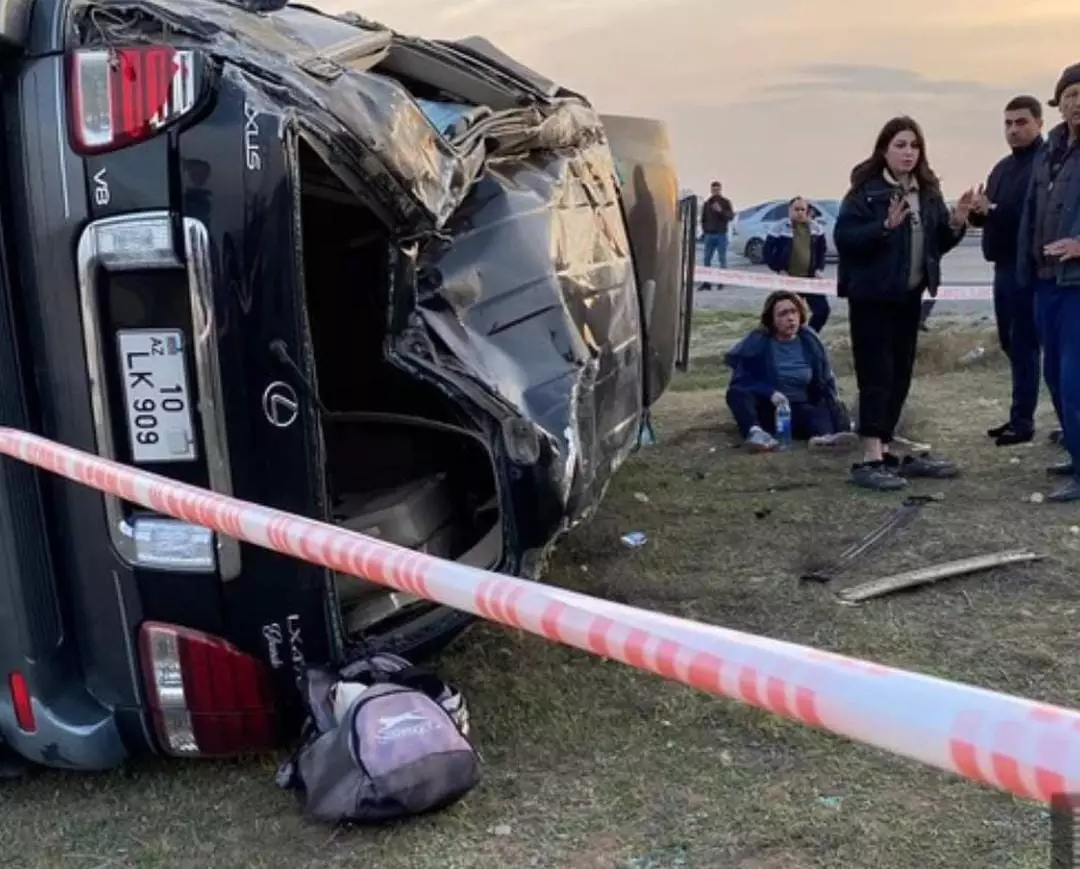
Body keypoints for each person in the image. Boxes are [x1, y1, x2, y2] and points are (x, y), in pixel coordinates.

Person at [835, 116, 975, 491]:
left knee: (900, 374)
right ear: (884, 149)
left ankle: (885, 445)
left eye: (914, 145)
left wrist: (958, 222)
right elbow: (845, 240)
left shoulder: (926, 192)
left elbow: (936, 245)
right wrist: (884, 228)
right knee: (876, 375)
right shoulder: (866, 192)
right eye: (900, 145)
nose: (908, 152)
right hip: (872, 298)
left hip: (909, 297)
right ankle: (868, 457)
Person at [1016, 63, 1080, 501]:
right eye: (1071, 95)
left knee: (1076, 379)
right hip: (1044, 281)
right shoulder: (1050, 150)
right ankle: (1078, 455)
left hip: (1077, 285)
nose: (1078, 103)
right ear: (1060, 104)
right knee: (1055, 378)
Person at [968, 95, 1045, 446]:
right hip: (1001, 266)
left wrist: (994, 211)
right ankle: (1020, 414)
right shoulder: (1001, 168)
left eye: (1021, 122)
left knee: (1028, 344)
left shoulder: (1045, 163)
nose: (1013, 130)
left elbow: (1032, 218)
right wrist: (976, 212)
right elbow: (987, 215)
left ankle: (1024, 421)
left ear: (1039, 123)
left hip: (1030, 268)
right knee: (1011, 343)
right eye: (1008, 123)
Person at [724, 291, 854, 451]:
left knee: (820, 411)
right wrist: (770, 392)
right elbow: (742, 381)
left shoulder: (810, 340)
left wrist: (834, 405)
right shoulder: (759, 341)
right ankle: (756, 434)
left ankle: (824, 439)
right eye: (783, 314)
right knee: (737, 393)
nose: (790, 318)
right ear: (771, 319)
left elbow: (826, 379)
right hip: (769, 408)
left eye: (794, 311)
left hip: (800, 406)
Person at [762, 196, 831, 332]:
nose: (799, 212)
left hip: (810, 278)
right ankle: (784, 339)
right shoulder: (779, 227)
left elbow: (822, 250)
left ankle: (808, 336)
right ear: (789, 210)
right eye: (796, 209)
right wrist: (779, 269)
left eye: (802, 209)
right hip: (789, 279)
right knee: (788, 313)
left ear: (807, 211)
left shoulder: (816, 228)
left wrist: (819, 268)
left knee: (822, 311)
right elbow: (767, 251)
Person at [699, 180, 734, 290]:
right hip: (709, 234)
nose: (715, 192)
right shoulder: (707, 203)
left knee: (722, 259)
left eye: (717, 190)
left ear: (720, 190)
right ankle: (706, 282)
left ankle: (722, 282)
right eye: (713, 190)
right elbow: (703, 219)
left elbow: (730, 216)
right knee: (706, 259)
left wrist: (720, 211)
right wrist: (704, 231)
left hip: (721, 235)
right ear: (711, 190)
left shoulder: (725, 202)